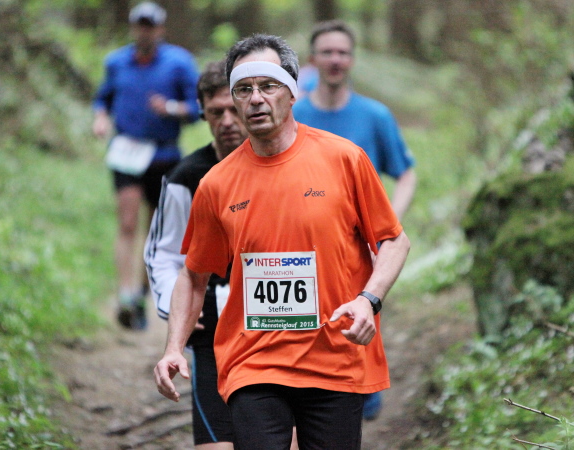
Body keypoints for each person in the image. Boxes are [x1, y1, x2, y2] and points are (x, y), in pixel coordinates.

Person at [154, 34, 410, 450]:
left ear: (292, 92)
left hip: (335, 357)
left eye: (267, 85)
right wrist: (173, 348)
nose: (255, 99)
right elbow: (194, 275)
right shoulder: (216, 184)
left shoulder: (344, 159)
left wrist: (369, 300)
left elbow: (394, 241)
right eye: (243, 89)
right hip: (253, 362)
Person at [293, 19, 417, 420]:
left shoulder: (374, 115)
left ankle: (365, 397)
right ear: (313, 59)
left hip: (364, 247)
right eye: (327, 52)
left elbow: (405, 173)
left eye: (343, 53)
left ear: (352, 59)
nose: (335, 60)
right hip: (306, 243)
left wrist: (389, 223)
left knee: (363, 310)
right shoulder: (295, 115)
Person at [144, 60, 246, 449]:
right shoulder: (187, 175)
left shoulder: (280, 166)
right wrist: (177, 309)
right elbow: (163, 253)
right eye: (216, 112)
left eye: (233, 109)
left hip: (275, 323)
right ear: (202, 113)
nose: (227, 121)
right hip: (212, 324)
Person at [92, 2, 199, 329]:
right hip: (126, 152)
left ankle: (141, 292)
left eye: (150, 26)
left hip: (164, 155)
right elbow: (103, 98)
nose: (145, 31)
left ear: (160, 29)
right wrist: (100, 118)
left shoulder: (179, 63)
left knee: (155, 230)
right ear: (133, 28)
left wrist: (170, 108)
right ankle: (125, 294)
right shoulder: (116, 62)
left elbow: (197, 108)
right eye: (140, 25)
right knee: (127, 221)